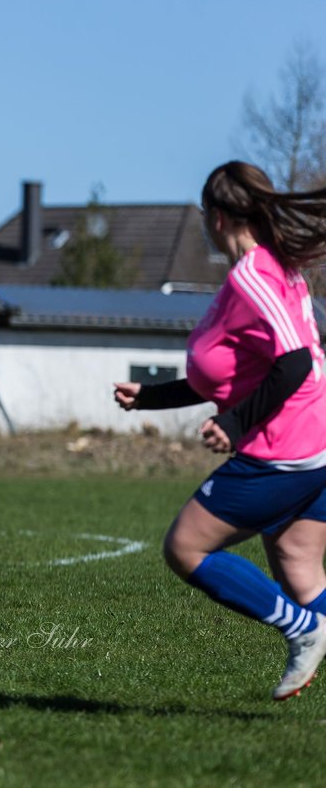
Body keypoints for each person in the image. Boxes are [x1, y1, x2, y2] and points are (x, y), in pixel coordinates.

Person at [114, 160, 326, 700]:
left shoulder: (255, 275)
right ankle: (311, 626)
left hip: (286, 450)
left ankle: (305, 630)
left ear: (216, 218)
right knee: (298, 565)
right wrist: (154, 397)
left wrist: (235, 423)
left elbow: (297, 362)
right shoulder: (277, 269)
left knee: (185, 547)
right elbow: (227, 373)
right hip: (313, 444)